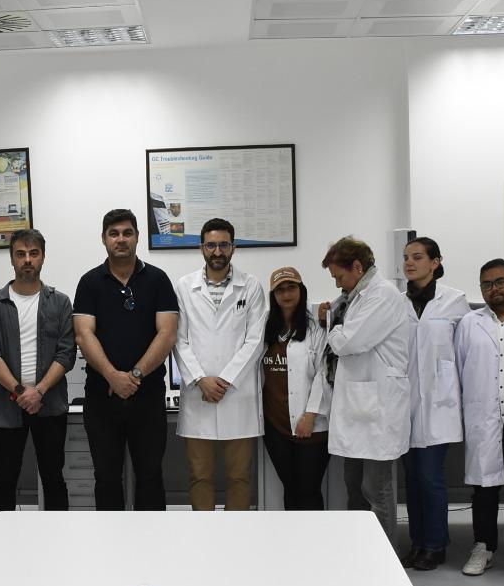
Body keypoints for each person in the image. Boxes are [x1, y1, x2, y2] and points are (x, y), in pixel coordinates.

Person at [72, 208, 180, 511]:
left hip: (147, 396)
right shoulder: (89, 282)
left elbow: (167, 334)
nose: (121, 239)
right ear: (104, 239)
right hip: (102, 398)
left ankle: (151, 538)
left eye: (127, 233)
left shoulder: (158, 280)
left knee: (150, 476)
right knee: (106, 478)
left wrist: (134, 376)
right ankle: (111, 539)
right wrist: (112, 376)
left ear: (137, 237)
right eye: (114, 234)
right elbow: (83, 335)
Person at [319, 236, 415, 542]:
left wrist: (333, 327)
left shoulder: (382, 295)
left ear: (357, 267)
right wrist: (338, 325)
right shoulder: (356, 297)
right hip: (360, 404)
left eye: (339, 276)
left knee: (377, 489)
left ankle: (385, 558)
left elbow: (349, 342)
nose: (337, 283)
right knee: (355, 485)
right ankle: (360, 551)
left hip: (378, 405)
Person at [0, 229, 77, 512]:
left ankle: (57, 534)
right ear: (12, 258)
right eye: (20, 254)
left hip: (50, 404)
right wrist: (21, 392)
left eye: (34, 253)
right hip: (8, 406)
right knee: (5, 478)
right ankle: (2, 536)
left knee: (53, 477)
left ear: (43, 257)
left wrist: (39, 391)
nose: (27, 260)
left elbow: (66, 353)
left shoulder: (59, 302)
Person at [174, 218, 268, 511]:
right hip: (198, 395)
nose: (217, 251)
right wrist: (201, 379)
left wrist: (224, 381)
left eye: (224, 245)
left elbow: (256, 341)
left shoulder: (250, 286)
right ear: (201, 247)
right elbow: (178, 340)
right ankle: (204, 533)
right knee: (199, 476)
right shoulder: (184, 287)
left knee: (239, 477)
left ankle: (234, 534)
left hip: (237, 397)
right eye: (211, 245)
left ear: (233, 247)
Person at [455, 258, 504, 577]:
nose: (494, 289)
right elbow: (460, 369)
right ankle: (483, 546)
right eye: (487, 284)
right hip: (483, 416)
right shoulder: (469, 323)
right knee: (484, 488)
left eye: (500, 282)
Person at [400, 236, 469, 571]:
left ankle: (435, 544)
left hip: (440, 404)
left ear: (435, 262)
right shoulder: (398, 303)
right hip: (405, 404)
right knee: (412, 480)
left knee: (430, 477)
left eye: (417, 257)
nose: (409, 263)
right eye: (406, 257)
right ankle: (417, 542)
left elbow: (464, 354)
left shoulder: (455, 301)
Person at [260, 266, 331, 511]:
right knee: (289, 487)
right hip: (275, 424)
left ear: (301, 290)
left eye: (291, 288)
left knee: (308, 490)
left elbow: (324, 373)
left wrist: (310, 416)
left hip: (310, 425)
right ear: (273, 295)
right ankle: (292, 536)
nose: (286, 294)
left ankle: (313, 537)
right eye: (280, 290)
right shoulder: (265, 327)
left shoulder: (316, 328)